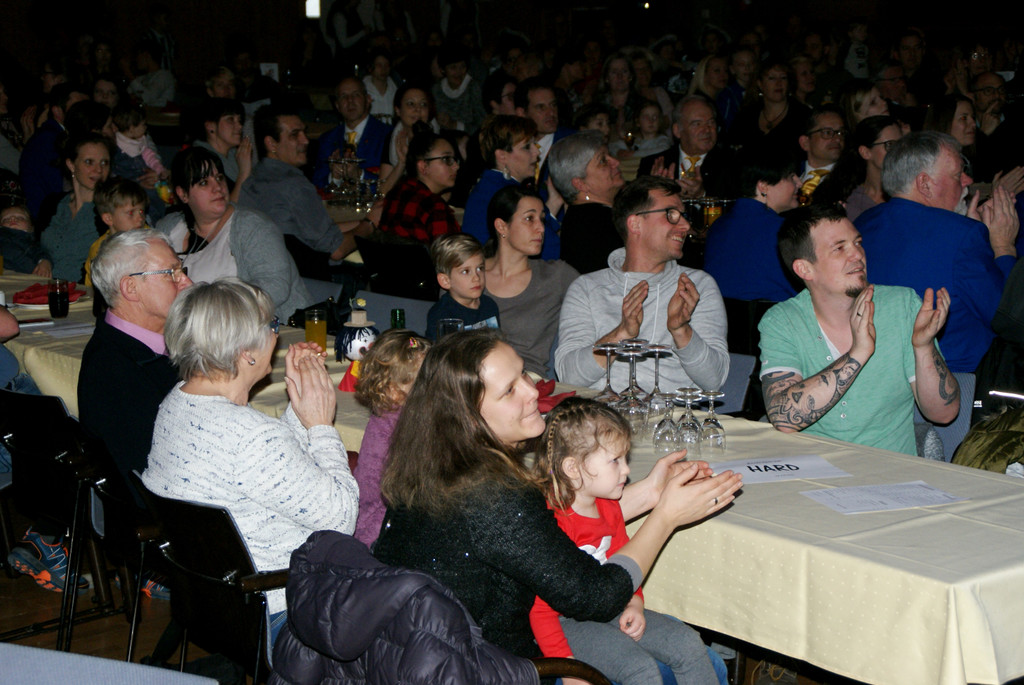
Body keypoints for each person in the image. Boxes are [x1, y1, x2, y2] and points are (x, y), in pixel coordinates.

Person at [373, 328, 743, 658]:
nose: (533, 390)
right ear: (469, 417)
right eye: (510, 390)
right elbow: (596, 596)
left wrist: (649, 494)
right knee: (698, 659)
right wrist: (665, 519)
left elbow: (541, 540)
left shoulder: (434, 468)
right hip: (489, 666)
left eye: (523, 373)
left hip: (415, 658)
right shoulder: (491, 494)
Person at [142, 279, 359, 643]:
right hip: (276, 606)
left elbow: (266, 470)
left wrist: (299, 406)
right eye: (273, 327)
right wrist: (321, 425)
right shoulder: (250, 435)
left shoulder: (175, 404)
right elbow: (341, 518)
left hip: (206, 599)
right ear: (247, 354)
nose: (278, 337)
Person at [528, 398, 719, 685]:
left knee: (688, 644)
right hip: (565, 622)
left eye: (625, 459)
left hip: (611, 605)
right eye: (615, 461)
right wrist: (567, 667)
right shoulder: (551, 522)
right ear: (572, 467)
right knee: (638, 668)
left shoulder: (609, 506)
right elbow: (540, 610)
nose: (627, 470)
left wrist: (634, 603)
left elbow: (627, 565)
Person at [759, 204, 959, 455]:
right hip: (812, 474)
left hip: (890, 476)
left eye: (858, 243)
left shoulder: (902, 306)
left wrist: (924, 346)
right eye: (840, 248)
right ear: (805, 269)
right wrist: (858, 353)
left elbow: (944, 414)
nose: (858, 255)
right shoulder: (782, 321)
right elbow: (783, 418)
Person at [856, 132, 1019, 372]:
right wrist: (1004, 247)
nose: (967, 180)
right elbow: (1009, 317)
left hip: (880, 374)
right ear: (924, 184)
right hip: (958, 382)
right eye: (956, 175)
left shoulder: (860, 225)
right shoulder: (963, 236)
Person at [555, 176, 729, 393]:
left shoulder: (696, 286)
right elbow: (568, 377)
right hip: (601, 416)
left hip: (670, 419)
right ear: (635, 223)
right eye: (672, 215)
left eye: (682, 215)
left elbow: (715, 381)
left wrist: (681, 330)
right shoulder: (587, 288)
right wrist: (621, 334)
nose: (685, 225)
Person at [79, 230, 192, 488]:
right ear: (130, 288)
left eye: (182, 270)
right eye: (171, 273)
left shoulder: (144, 347)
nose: (187, 282)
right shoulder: (114, 368)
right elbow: (147, 475)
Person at [158, 147, 310, 321]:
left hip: (264, 330)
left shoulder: (253, 226)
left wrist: (213, 311)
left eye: (219, 178)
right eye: (204, 183)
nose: (218, 188)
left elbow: (275, 288)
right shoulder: (168, 228)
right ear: (183, 194)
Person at [238, 105, 374, 276]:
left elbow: (307, 230)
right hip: (307, 285)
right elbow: (336, 249)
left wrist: (363, 220)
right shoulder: (293, 184)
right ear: (271, 143)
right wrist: (370, 225)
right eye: (295, 134)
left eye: (304, 132)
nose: (306, 140)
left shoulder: (255, 178)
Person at [485, 186, 578, 378]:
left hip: (527, 381)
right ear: (502, 226)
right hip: (473, 378)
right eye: (529, 219)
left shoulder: (555, 276)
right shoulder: (471, 275)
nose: (541, 228)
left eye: (542, 219)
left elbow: (598, 300)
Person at [352, 329, 430, 546]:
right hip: (381, 531)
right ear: (394, 391)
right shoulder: (388, 428)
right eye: (424, 382)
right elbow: (370, 491)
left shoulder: (418, 415)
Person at [462, 115, 561, 260]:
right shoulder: (508, 194)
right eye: (527, 147)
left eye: (535, 145)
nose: (537, 152)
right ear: (502, 156)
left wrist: (555, 202)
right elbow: (548, 250)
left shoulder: (489, 186)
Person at [703, 152, 800, 302]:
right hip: (776, 321)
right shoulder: (784, 230)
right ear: (764, 186)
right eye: (791, 177)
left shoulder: (718, 226)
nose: (799, 183)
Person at [549, 130, 625, 275]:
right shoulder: (594, 225)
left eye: (610, 155)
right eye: (603, 161)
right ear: (580, 184)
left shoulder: (587, 217)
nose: (616, 162)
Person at [40, 134, 111, 281]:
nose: (98, 170)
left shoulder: (110, 212)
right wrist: (42, 259)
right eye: (89, 162)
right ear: (71, 164)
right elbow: (32, 245)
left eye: (104, 163)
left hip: (85, 295)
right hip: (43, 290)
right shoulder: (52, 204)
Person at [638, 95, 734, 199]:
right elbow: (635, 207)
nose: (707, 130)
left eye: (711, 123)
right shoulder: (653, 165)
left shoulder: (731, 163)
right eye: (697, 124)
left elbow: (736, 207)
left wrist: (702, 196)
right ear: (677, 130)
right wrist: (656, 193)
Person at [377, 128, 461, 244]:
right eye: (446, 159)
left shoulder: (396, 192)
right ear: (423, 166)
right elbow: (450, 257)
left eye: (455, 160)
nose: (456, 166)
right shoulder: (434, 206)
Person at [813, 115, 902, 221]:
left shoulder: (909, 195)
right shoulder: (846, 199)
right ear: (865, 152)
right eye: (890, 145)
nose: (899, 151)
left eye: (901, 144)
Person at [19, 84, 89, 218]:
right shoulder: (48, 141)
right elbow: (57, 190)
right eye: (77, 107)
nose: (84, 112)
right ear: (57, 111)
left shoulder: (57, 137)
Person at [312, 76, 392, 188]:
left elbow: (393, 185)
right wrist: (334, 177)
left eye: (356, 95)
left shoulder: (387, 136)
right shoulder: (327, 139)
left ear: (368, 100)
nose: (350, 101)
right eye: (344, 96)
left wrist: (359, 175)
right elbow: (317, 185)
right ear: (337, 106)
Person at [427, 233, 500, 340]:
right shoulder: (442, 315)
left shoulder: (489, 306)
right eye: (466, 271)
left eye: (480, 268)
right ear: (445, 281)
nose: (476, 277)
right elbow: (442, 355)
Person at [84, 178, 148, 287]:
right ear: (108, 218)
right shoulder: (99, 250)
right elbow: (91, 288)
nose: (140, 218)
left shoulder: (151, 241)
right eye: (131, 212)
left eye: (141, 211)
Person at [377, 83, 438, 197]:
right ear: (398, 110)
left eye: (423, 104)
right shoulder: (393, 139)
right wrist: (401, 163)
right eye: (411, 104)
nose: (418, 109)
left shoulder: (438, 141)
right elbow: (382, 192)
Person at [111, 104, 169, 221]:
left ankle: (159, 218)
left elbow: (150, 156)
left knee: (160, 194)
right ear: (132, 128)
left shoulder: (140, 141)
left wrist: (159, 169)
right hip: (128, 186)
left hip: (145, 179)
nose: (145, 127)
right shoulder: (116, 148)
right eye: (143, 124)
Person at [193, 98, 253, 202]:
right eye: (230, 120)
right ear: (210, 126)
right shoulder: (200, 160)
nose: (239, 126)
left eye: (239, 120)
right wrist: (244, 172)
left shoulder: (236, 155)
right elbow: (226, 209)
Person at [797, 105, 847, 204]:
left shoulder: (852, 180)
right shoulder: (789, 176)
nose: (837, 139)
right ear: (805, 142)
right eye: (827, 132)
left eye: (841, 133)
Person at [431, 44, 485, 133]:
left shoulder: (474, 87)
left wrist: (455, 125)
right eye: (453, 67)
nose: (458, 72)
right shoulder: (436, 89)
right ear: (442, 70)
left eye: (462, 66)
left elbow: (482, 125)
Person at [0, 204, 52, 276]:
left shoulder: (33, 243)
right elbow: (11, 253)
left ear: (31, 227)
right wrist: (33, 268)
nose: (13, 219)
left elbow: (40, 252)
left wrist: (44, 261)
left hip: (25, 278)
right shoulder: (3, 236)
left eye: (20, 218)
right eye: (6, 219)